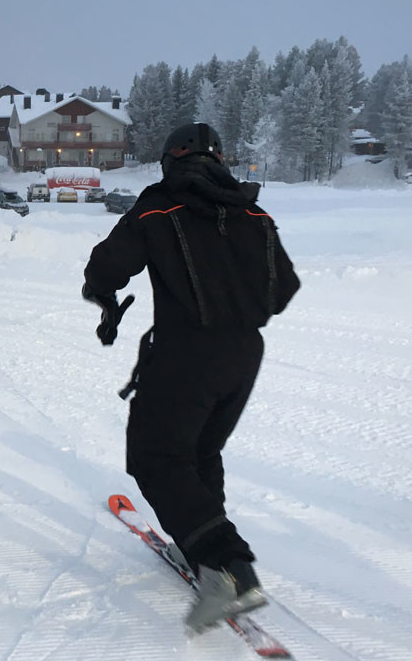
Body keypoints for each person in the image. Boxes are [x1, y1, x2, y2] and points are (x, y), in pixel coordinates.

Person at [81, 123, 300, 633]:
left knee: (156, 457)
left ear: (169, 161)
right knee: (200, 451)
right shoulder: (252, 211)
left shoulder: (159, 205)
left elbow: (107, 268)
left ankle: (228, 567)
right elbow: (283, 288)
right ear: (220, 160)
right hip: (244, 353)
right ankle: (200, 544)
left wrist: (102, 295)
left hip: (185, 351)